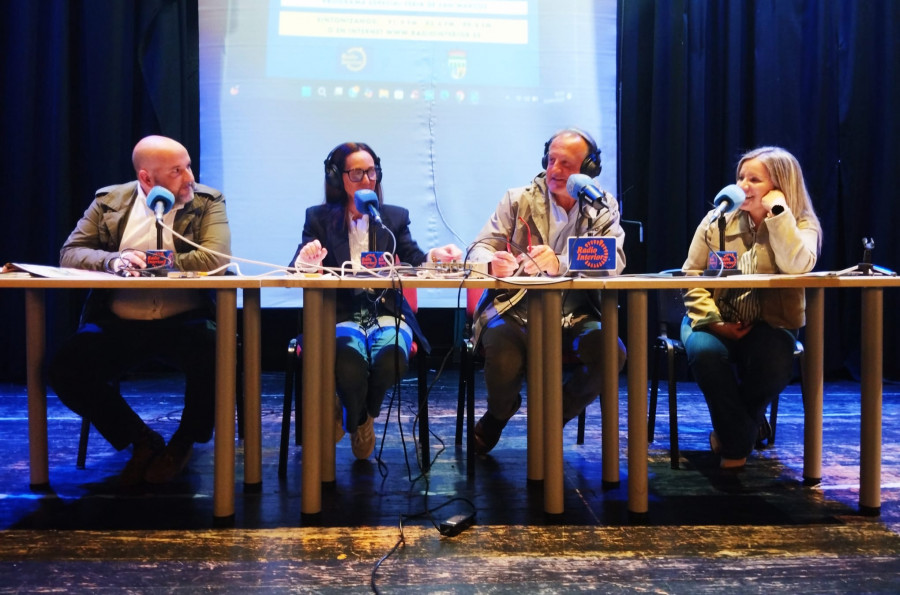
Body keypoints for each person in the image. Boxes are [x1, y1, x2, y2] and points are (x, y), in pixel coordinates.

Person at [48, 135, 232, 486]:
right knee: (65, 368)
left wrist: (150, 262)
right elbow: (70, 253)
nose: (190, 178)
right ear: (147, 178)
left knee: (217, 352)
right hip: (121, 322)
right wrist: (113, 260)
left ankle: (184, 442)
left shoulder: (207, 201)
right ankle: (140, 439)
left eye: (188, 166)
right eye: (177, 171)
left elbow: (215, 258)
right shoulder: (109, 202)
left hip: (186, 322)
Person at [289, 141, 462, 460]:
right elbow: (295, 267)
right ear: (337, 177)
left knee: (391, 358)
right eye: (357, 173)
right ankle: (356, 419)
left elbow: (413, 258)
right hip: (339, 313)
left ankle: (362, 415)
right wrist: (307, 260)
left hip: (386, 311)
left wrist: (434, 256)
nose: (367, 179)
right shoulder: (318, 218)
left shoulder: (392, 218)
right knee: (348, 364)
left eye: (372, 172)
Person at [466, 128, 627, 455]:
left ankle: (553, 415)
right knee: (502, 352)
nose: (555, 170)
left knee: (612, 352)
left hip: (577, 312)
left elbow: (614, 260)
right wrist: (492, 263)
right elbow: (478, 249)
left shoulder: (602, 205)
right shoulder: (518, 199)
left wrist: (561, 262)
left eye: (566, 163)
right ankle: (499, 414)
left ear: (589, 168)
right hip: (516, 308)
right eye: (551, 160)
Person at [680, 146, 822, 469]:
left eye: (754, 180)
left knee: (773, 361)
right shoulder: (717, 219)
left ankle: (732, 438)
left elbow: (798, 265)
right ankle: (741, 440)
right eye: (740, 177)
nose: (742, 185)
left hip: (769, 324)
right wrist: (715, 322)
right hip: (712, 317)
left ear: (780, 186)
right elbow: (691, 275)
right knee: (704, 353)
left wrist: (778, 216)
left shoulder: (801, 224)